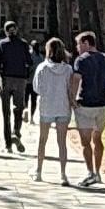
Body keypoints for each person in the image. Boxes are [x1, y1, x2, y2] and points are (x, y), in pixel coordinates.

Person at [71, 31, 105, 186]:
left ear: (86, 43)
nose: (77, 47)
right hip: (102, 104)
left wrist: (71, 99)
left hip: (85, 104)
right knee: (98, 139)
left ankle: (90, 172)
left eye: (78, 44)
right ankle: (98, 172)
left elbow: (76, 80)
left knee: (85, 142)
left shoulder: (81, 60)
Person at [29, 36, 76, 181]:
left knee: (42, 140)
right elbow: (70, 89)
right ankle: (63, 174)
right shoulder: (68, 69)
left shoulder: (42, 68)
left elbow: (36, 88)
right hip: (63, 107)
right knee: (62, 142)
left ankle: (38, 171)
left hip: (47, 107)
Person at [0, 26, 36, 151]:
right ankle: (16, 132)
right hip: (20, 80)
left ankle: (8, 144)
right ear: (16, 30)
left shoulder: (2, 43)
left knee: (6, 112)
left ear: (6, 31)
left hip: (6, 79)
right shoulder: (23, 44)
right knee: (19, 108)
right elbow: (30, 61)